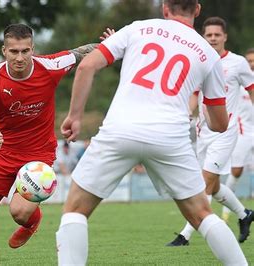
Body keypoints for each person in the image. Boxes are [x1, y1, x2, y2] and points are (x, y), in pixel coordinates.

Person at [55, 1, 248, 265]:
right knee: (202, 215)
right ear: (198, 10)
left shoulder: (138, 28)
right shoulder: (208, 54)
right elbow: (219, 123)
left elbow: (87, 66)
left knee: (75, 210)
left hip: (120, 130)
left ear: (165, 8)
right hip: (170, 138)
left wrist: (75, 116)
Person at [0, 23, 96, 265]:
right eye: (14, 51)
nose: (20, 57)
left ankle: (31, 221)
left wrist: (119, 41)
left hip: (38, 155)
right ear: (4, 50)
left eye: (25, 51)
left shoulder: (50, 66)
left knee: (18, 213)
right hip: (2, 152)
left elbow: (84, 51)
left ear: (33, 49)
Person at [167, 17, 254, 247]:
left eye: (217, 35)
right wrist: (187, 112)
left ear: (225, 37)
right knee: (213, 187)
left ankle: (185, 235)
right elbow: (195, 93)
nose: (213, 38)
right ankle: (245, 214)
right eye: (209, 35)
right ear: (203, 37)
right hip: (203, 132)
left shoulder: (237, 63)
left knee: (203, 182)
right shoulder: (200, 60)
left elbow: (252, 89)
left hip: (226, 131)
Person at [221, 48, 254, 221]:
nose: (251, 63)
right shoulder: (240, 85)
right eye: (249, 60)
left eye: (253, 60)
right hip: (243, 133)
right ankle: (226, 213)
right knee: (236, 171)